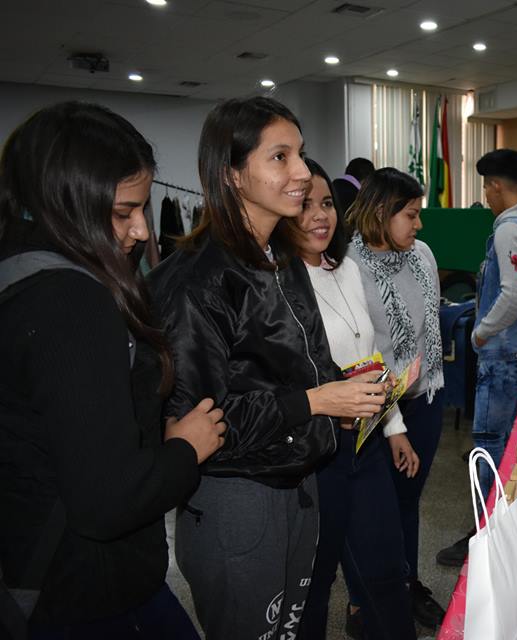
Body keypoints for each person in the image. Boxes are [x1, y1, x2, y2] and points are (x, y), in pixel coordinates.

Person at [149, 97, 388, 640]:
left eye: (300, 155)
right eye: (280, 157)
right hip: (236, 498)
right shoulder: (200, 280)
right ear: (232, 175)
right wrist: (316, 402)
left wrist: (344, 398)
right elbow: (200, 425)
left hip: (298, 483)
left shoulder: (279, 258)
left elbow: (303, 365)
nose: (302, 173)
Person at [0, 101, 225, 638]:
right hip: (84, 591)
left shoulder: (17, 273)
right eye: (123, 212)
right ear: (66, 204)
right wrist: (185, 449)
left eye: (142, 209)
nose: (143, 231)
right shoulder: (70, 301)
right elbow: (106, 501)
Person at [290, 159, 416, 640]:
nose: (320, 216)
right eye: (305, 206)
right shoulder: (277, 282)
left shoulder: (344, 269)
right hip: (319, 453)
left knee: (386, 568)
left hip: (367, 444)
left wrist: (395, 426)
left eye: (326, 204)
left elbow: (369, 357)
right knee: (315, 583)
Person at [436, 148, 517, 567]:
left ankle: (486, 533)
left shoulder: (509, 230)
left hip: (504, 354)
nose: (486, 196)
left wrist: (481, 332)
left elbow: (515, 293)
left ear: (497, 186)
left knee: (490, 445)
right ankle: (506, 529)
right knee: (515, 446)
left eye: (487, 187)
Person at [346, 168, 447, 630]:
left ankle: (407, 586)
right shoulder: (349, 266)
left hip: (423, 399)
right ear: (381, 213)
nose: (419, 225)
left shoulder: (422, 255)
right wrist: (390, 422)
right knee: (370, 510)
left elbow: (430, 329)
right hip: (376, 408)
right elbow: (358, 350)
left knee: (407, 500)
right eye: (410, 214)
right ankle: (362, 598)